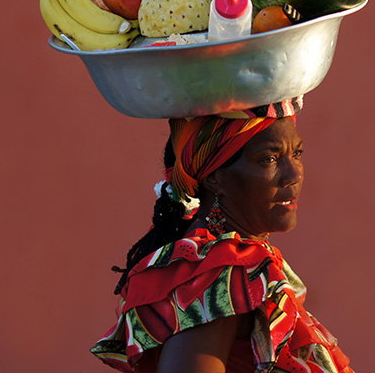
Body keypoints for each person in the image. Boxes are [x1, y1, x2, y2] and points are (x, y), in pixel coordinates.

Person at [90, 97, 353, 373]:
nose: (293, 174)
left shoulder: (230, 262)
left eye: (297, 153)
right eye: (270, 159)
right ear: (215, 176)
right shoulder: (219, 272)